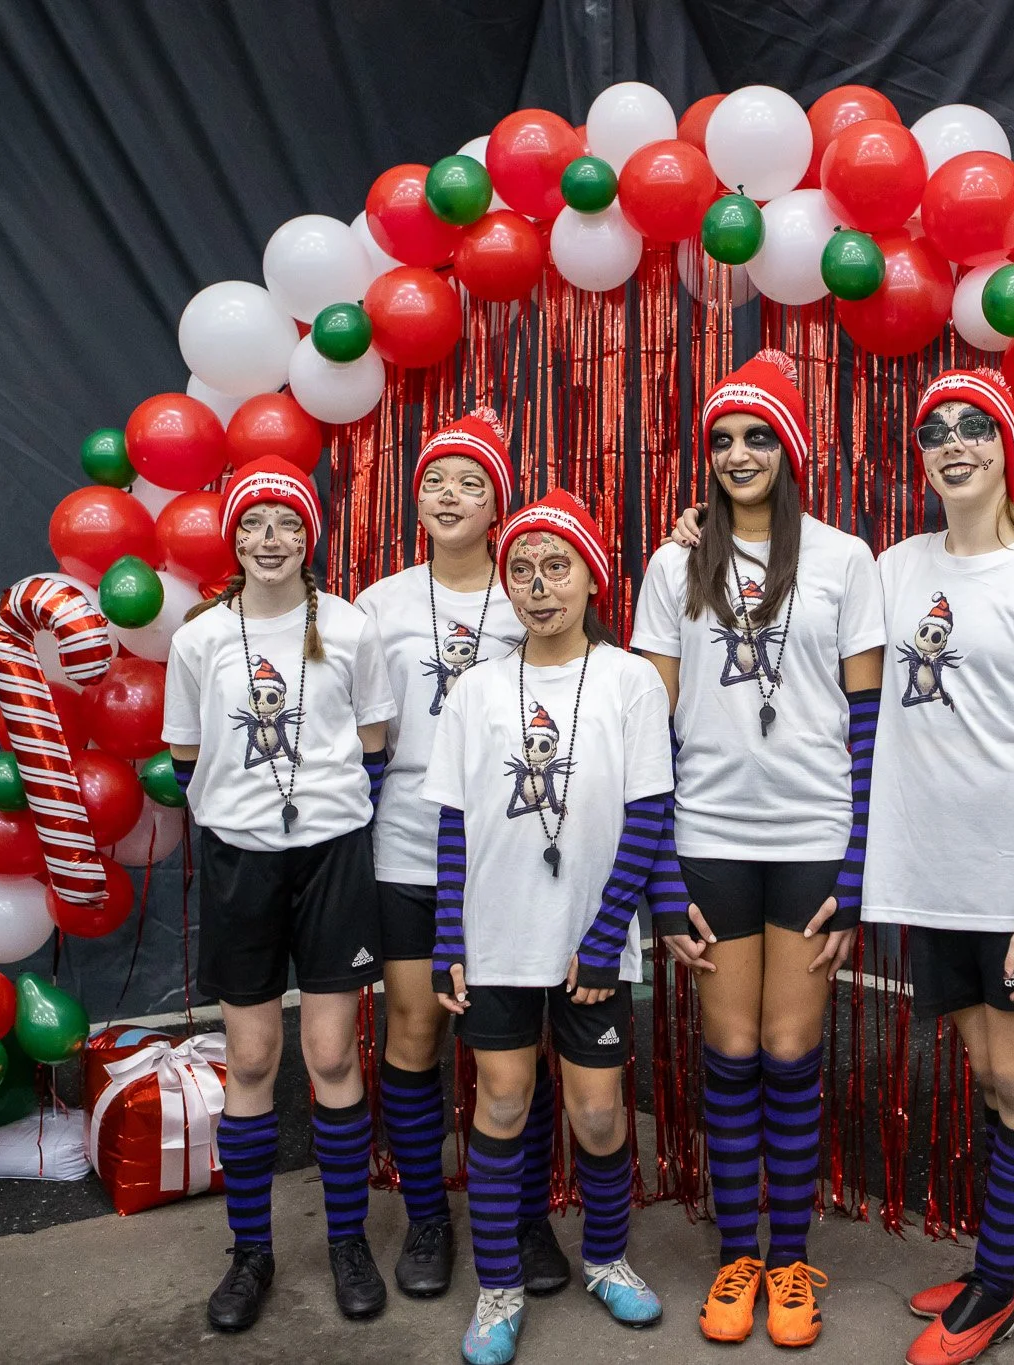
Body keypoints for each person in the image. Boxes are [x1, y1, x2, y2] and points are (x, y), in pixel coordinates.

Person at [630, 350, 884, 1347]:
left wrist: (859, 870)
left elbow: (866, 720)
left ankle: (789, 1265)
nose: (738, 453)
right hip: (707, 837)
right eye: (723, 440)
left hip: (814, 835)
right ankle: (738, 1259)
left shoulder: (842, 558)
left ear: (789, 450)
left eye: (757, 436)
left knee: (788, 1048)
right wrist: (655, 875)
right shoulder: (670, 564)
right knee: (728, 1049)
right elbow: (646, 728)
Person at [865, 371, 1014, 1365]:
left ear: (1005, 449)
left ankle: (1000, 1287)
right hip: (930, 874)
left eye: (972, 427)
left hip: (1013, 883)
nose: (951, 442)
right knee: (984, 1073)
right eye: (933, 430)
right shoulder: (894, 565)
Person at [427, 491, 677, 1364]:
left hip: (590, 943)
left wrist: (608, 934)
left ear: (592, 578)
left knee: (600, 1115)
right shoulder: (475, 689)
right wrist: (448, 941)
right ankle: (498, 1285)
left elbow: (649, 813)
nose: (539, 587)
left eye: (557, 567)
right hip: (497, 937)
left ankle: (606, 1257)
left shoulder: (629, 680)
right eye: (522, 570)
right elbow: (453, 824)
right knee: (500, 1102)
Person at [163, 455, 396, 1332]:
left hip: (333, 855)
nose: (271, 539)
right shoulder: (199, 639)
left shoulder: (348, 626)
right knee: (254, 1060)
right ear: (235, 538)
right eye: (255, 523)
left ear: (311, 537)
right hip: (241, 859)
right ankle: (251, 1251)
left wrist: (321, 810)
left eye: (288, 524)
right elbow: (187, 757)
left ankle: (345, 1243)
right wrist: (246, 815)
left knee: (333, 1057)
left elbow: (374, 742)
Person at [355, 408, 570, 1302]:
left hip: (519, 847)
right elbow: (363, 735)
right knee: (415, 1029)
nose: (449, 494)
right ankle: (429, 1219)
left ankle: (524, 1217)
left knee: (525, 1046)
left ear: (498, 506)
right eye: (436, 478)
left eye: (471, 481)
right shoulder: (381, 603)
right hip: (410, 843)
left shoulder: (527, 591)